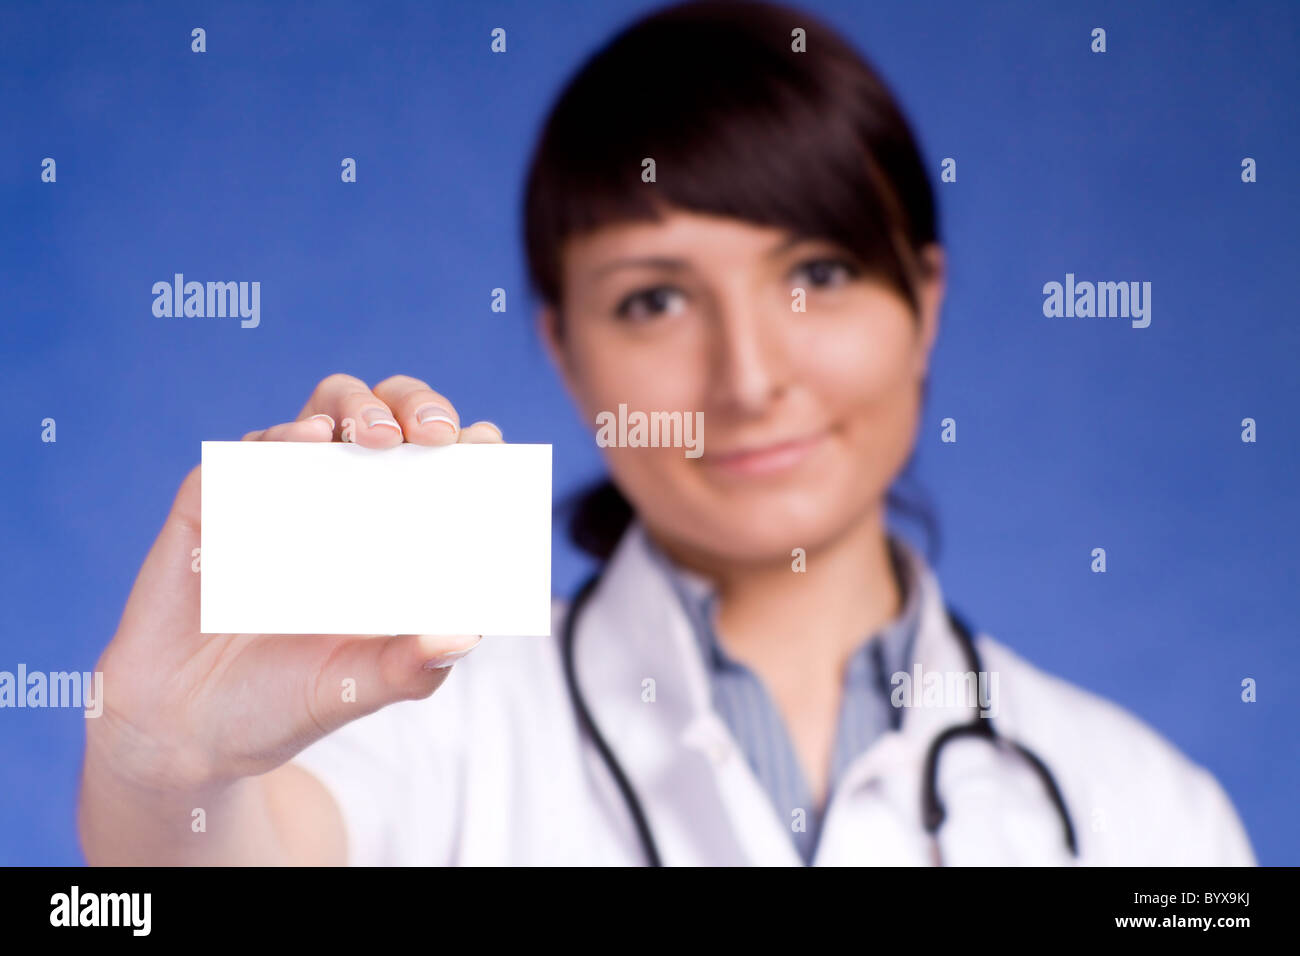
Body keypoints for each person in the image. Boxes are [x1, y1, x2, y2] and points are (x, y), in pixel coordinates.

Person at [78, 0, 1255, 866]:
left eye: (821, 273)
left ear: (924, 304)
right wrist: (163, 768)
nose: (747, 377)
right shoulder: (430, 721)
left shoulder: (1146, 810)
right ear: (563, 346)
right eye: (654, 298)